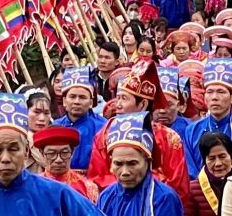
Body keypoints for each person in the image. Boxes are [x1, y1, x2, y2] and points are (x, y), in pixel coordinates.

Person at [84, 61, 190, 204]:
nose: (118, 104)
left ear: (143, 104)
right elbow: (96, 178)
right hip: (116, 205)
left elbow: (179, 187)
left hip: (157, 207)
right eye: (118, 98)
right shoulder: (105, 134)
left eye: (124, 99)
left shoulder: (169, 138)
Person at [185, 57, 232, 177]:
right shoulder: (192, 131)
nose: (214, 97)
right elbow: (190, 170)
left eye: (221, 92)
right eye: (210, 92)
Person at [53, 69, 105, 169]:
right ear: (64, 101)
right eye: (72, 97)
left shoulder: (102, 128)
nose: (77, 101)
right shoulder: (55, 127)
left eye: (82, 97)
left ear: (90, 103)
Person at [33, 125, 99, 202]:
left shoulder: (87, 187)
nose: (58, 160)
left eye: (64, 153)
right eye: (51, 153)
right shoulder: (32, 187)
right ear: (42, 153)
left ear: (72, 152)